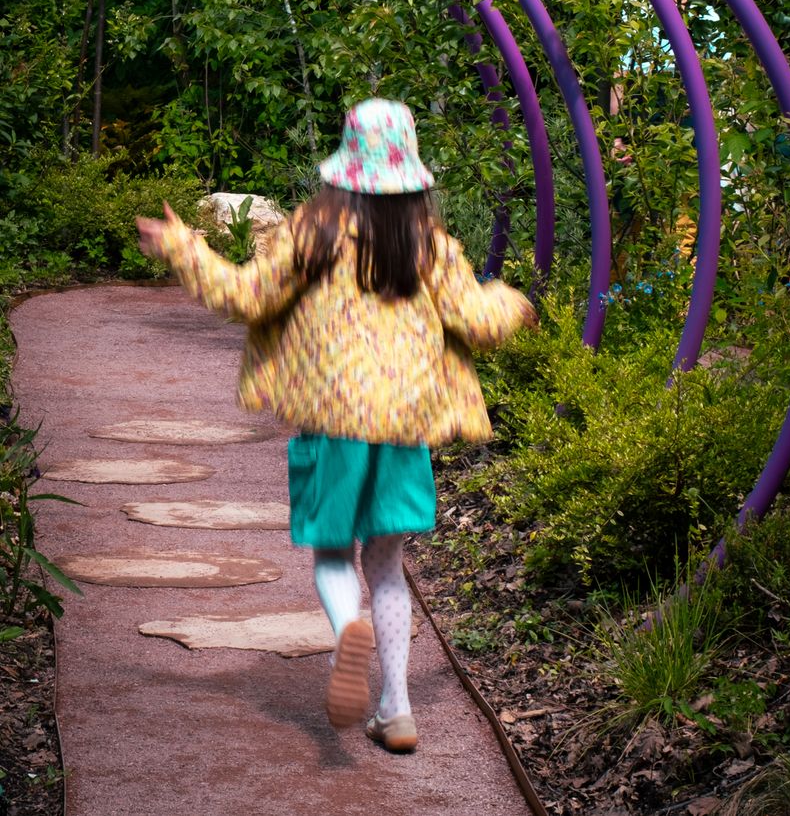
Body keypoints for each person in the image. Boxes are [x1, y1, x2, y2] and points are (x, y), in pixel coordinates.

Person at [137, 98, 537, 753]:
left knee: (332, 555)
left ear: (342, 170)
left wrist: (183, 247)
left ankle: (346, 629)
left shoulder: (310, 234)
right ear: (411, 176)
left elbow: (245, 295)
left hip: (333, 423)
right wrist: (514, 301)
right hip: (403, 429)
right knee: (388, 566)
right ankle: (398, 708)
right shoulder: (427, 245)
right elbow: (478, 319)